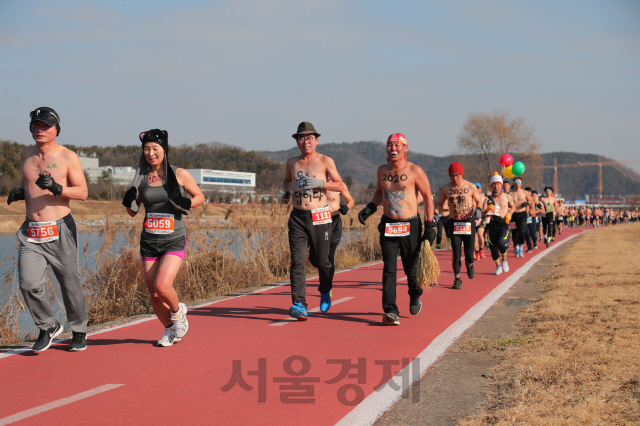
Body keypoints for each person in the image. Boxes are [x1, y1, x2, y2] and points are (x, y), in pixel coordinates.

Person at [8, 107, 89, 352]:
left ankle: (79, 329)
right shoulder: (26, 154)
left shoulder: (67, 156)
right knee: (28, 284)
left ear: (56, 129)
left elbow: (83, 193)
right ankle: (48, 325)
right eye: (36, 125)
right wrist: (21, 191)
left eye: (45, 126)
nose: (40, 130)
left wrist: (57, 188)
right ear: (31, 128)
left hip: (59, 228)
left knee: (69, 282)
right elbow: (27, 181)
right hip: (31, 230)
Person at [122, 129, 204, 346]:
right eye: (146, 149)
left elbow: (199, 197)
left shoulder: (178, 173)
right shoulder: (141, 178)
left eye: (155, 148)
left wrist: (186, 203)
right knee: (155, 295)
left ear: (164, 149)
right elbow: (133, 211)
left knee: (162, 286)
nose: (150, 153)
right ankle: (169, 329)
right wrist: (128, 199)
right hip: (149, 241)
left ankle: (178, 314)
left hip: (173, 239)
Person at [358, 133, 435, 325]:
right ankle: (391, 310)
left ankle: (415, 293)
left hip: (410, 225)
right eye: (389, 145)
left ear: (405, 148)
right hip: (389, 225)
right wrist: (369, 208)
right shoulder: (382, 171)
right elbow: (378, 192)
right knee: (389, 268)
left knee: (412, 270)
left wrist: (431, 224)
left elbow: (427, 197)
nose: (393, 149)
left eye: (397, 145)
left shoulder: (415, 170)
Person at [282, 122, 344, 320]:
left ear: (316, 140)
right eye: (301, 138)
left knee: (323, 262)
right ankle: (300, 304)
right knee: (297, 261)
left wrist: (320, 183)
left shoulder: (325, 161)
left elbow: (340, 185)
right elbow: (287, 180)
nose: (305, 141)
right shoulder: (292, 162)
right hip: (298, 217)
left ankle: (325, 289)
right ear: (297, 141)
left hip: (320, 216)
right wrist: (286, 192)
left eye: (309, 138)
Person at [435, 162, 483, 289]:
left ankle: (470, 264)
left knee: (469, 252)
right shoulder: (446, 189)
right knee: (456, 252)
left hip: (468, 222)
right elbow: (440, 203)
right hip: (454, 222)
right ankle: (457, 278)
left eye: (457, 175)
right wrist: (435, 213)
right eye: (452, 176)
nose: (454, 178)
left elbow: (478, 201)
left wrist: (478, 209)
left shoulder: (471, 186)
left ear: (461, 174)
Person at [309, 176, 355, 277]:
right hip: (318, 221)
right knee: (314, 258)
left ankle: (327, 285)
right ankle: (323, 269)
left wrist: (346, 207)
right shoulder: (315, 182)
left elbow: (350, 200)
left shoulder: (339, 184)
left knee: (330, 256)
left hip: (334, 221)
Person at [484, 174, 515, 275]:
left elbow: (513, 207)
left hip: (504, 224)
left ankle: (504, 260)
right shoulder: (488, 199)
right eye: (494, 184)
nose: (496, 186)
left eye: (498, 184)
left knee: (502, 242)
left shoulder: (507, 197)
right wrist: (487, 209)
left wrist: (509, 213)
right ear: (491, 186)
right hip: (493, 224)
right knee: (493, 247)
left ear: (501, 185)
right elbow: (484, 213)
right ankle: (498, 266)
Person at [509, 177, 534, 257]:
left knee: (522, 231)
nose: (517, 184)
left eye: (518, 182)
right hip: (513, 215)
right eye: (515, 182)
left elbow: (530, 200)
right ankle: (516, 247)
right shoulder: (510, 194)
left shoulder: (525, 192)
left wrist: (526, 203)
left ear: (521, 184)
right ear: (513, 183)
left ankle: (521, 247)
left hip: (522, 214)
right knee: (514, 232)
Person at [474, 183, 486, 260]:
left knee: (480, 235)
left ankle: (481, 249)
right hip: (473, 219)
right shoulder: (471, 198)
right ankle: (477, 252)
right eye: (475, 188)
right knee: (475, 238)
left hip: (481, 219)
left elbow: (485, 209)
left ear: (480, 189)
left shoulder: (484, 198)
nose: (476, 189)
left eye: (478, 188)